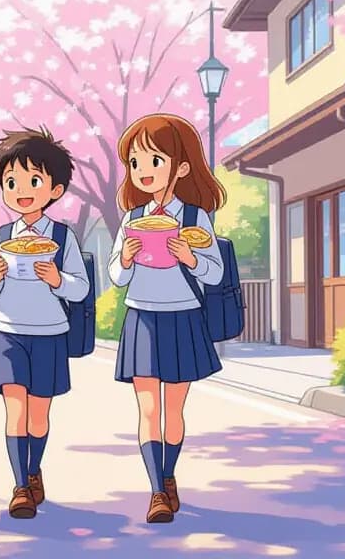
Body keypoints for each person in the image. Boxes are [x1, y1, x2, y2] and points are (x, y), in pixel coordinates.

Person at [108, 113, 226, 524]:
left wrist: (190, 256)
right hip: (142, 316)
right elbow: (117, 277)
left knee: (173, 409)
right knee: (148, 411)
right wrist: (123, 258)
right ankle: (157, 490)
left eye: (154, 161)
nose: (143, 171)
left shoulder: (195, 218)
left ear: (182, 167)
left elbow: (215, 273)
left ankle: (168, 475)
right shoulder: (131, 219)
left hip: (182, 318)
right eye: (135, 163)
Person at [0, 127, 90, 519]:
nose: (22, 189)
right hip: (7, 331)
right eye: (11, 182)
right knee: (15, 411)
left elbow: (80, 288)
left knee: (39, 414)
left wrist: (56, 279)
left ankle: (34, 468)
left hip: (49, 333)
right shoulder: (1, 237)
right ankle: (20, 485)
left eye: (34, 180)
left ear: (55, 189)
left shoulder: (61, 237)